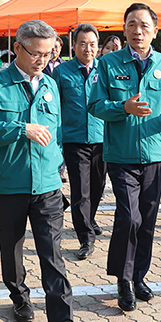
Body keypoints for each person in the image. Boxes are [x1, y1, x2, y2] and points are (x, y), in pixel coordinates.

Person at [0, 20, 87, 322]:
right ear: (18, 49)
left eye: (48, 55)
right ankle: (19, 296)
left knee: (53, 253)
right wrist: (22, 128)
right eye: (36, 53)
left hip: (47, 186)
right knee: (13, 247)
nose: (42, 61)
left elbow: (58, 131)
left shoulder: (50, 85)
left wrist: (58, 166)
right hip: (9, 185)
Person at [88, 3, 161, 312]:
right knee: (128, 217)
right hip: (121, 155)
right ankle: (122, 279)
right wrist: (123, 108)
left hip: (156, 154)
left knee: (146, 220)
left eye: (144, 25)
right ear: (124, 29)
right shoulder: (107, 64)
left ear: (155, 31)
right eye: (132, 24)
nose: (137, 30)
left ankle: (138, 276)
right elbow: (95, 105)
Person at [52, 23, 106, 261]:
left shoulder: (104, 70)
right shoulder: (62, 72)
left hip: (103, 139)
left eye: (92, 44)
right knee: (80, 192)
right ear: (74, 46)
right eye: (82, 44)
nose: (88, 48)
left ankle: (89, 219)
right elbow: (54, 108)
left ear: (98, 47)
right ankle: (85, 237)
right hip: (74, 140)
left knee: (97, 188)